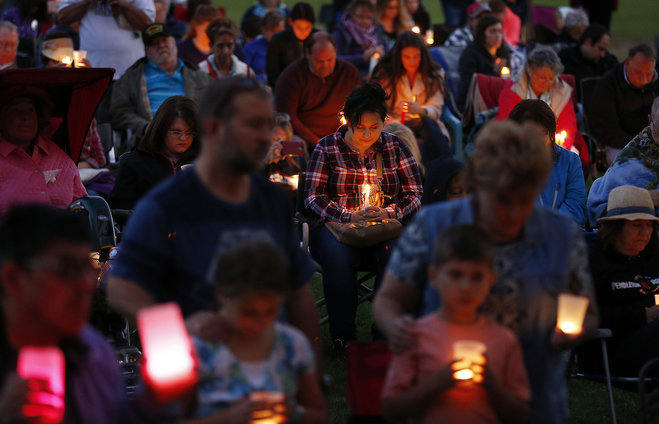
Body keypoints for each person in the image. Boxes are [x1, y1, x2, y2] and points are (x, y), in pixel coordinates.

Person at [373, 120, 598, 423]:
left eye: (525, 200)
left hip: (533, 398)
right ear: (478, 185)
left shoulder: (560, 235)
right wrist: (397, 327)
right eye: (503, 200)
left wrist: (574, 330)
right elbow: (389, 300)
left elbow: (586, 308)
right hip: (446, 403)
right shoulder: (433, 225)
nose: (514, 212)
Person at [106, 77, 321, 363]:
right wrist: (174, 334)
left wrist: (311, 375)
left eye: (266, 125)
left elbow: (298, 292)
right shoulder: (164, 203)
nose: (264, 137)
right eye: (250, 125)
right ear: (215, 127)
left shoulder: (269, 201)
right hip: (197, 368)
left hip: (265, 366)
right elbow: (121, 288)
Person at [0, 204, 171, 423]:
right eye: (67, 269)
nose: (85, 284)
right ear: (13, 278)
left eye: (88, 270)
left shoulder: (91, 352)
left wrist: (154, 398)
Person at [304, 82, 423, 350]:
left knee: (396, 255)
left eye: (375, 127)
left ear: (384, 122)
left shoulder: (394, 147)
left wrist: (389, 212)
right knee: (339, 257)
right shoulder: (327, 148)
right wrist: (347, 217)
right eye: (360, 127)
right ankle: (343, 337)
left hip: (382, 229)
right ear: (347, 120)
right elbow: (312, 197)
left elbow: (415, 193)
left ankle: (382, 334)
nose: (367, 134)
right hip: (336, 230)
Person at [382, 225, 530, 423]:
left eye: (477, 277)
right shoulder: (415, 335)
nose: (466, 287)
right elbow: (391, 408)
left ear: (491, 280)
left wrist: (492, 384)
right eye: (455, 274)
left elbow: (521, 414)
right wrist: (437, 382)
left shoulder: (504, 340)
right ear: (434, 276)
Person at [181, 236, 327, 423]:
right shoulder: (200, 350)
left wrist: (293, 413)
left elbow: (319, 414)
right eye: (249, 312)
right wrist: (227, 418)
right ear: (223, 294)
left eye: (270, 311)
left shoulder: (291, 346)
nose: (260, 322)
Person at [583, 185, 659, 376]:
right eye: (636, 225)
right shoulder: (593, 261)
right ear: (615, 228)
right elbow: (583, 316)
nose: (645, 232)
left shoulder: (653, 258)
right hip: (610, 348)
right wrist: (644, 315)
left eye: (649, 224)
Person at [110, 23, 211, 146]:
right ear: (146, 51)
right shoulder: (132, 77)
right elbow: (118, 113)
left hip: (191, 138)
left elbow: (214, 107)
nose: (162, 45)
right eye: (155, 43)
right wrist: (144, 127)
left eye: (165, 40)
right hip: (152, 139)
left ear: (175, 44)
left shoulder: (197, 75)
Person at [495, 45, 589, 166]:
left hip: (551, 142)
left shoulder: (561, 91)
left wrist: (556, 144)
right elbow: (505, 122)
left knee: (568, 157)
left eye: (550, 78)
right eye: (542, 77)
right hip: (521, 141)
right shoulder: (514, 89)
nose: (546, 82)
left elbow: (568, 124)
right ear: (529, 71)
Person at [0, 87, 86, 217]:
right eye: (16, 110)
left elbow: (82, 204)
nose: (25, 117)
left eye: (31, 110)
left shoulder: (59, 157)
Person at [373, 30, 451, 163]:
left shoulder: (434, 75)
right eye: (406, 56)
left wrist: (420, 110)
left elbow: (436, 109)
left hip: (427, 127)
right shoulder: (387, 75)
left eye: (416, 56)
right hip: (396, 126)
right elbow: (380, 109)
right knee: (417, 144)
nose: (412, 61)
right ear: (399, 56)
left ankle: (441, 165)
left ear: (423, 55)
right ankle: (438, 169)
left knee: (426, 124)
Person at [108, 96, 198, 210]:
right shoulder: (136, 163)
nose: (183, 138)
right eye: (176, 132)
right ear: (161, 130)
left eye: (189, 132)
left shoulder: (204, 161)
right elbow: (119, 206)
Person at [274, 32, 360, 150]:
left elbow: (358, 108)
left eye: (329, 60)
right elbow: (288, 117)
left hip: (340, 136)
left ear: (335, 51)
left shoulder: (349, 73)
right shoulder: (291, 77)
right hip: (302, 137)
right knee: (293, 146)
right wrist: (316, 141)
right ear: (307, 54)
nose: (325, 66)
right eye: (319, 61)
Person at [508, 99, 587, 227]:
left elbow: (576, 206)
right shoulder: (506, 162)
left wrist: (551, 227)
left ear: (551, 133)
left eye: (541, 135)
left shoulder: (569, 162)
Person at [587, 97, 659, 227]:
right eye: (658, 132)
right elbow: (600, 207)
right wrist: (645, 198)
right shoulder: (633, 158)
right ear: (651, 121)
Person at [586, 44, 659, 166]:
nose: (644, 79)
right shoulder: (608, 84)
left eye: (649, 73)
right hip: (619, 144)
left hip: (654, 141)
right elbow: (605, 127)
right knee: (630, 165)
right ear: (627, 63)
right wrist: (637, 144)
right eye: (638, 72)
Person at [57, 0, 154, 81]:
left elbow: (147, 25)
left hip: (130, 73)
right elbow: (62, 17)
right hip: (92, 73)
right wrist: (87, 1)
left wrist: (121, 3)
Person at [456, 14, 510, 111]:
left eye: (500, 32)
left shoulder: (503, 54)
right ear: (482, 34)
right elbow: (469, 85)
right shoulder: (471, 54)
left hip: (499, 100)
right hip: (474, 105)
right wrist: (494, 74)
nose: (498, 35)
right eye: (493, 31)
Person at [558, 23, 618, 101]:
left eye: (605, 50)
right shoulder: (565, 59)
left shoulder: (608, 60)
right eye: (600, 49)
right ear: (588, 42)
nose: (602, 54)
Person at [266, 2, 316, 88]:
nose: (303, 32)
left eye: (307, 27)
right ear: (291, 22)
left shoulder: (318, 39)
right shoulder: (278, 40)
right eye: (299, 27)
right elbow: (272, 73)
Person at [332, 0, 387, 77]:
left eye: (369, 18)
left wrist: (382, 56)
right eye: (360, 17)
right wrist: (363, 58)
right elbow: (334, 59)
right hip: (348, 77)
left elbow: (390, 55)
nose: (364, 21)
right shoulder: (341, 33)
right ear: (351, 15)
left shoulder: (377, 32)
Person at [243, 10, 285, 82]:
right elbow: (243, 72)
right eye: (272, 31)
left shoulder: (289, 48)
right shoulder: (251, 47)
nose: (276, 35)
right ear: (263, 30)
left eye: (280, 31)